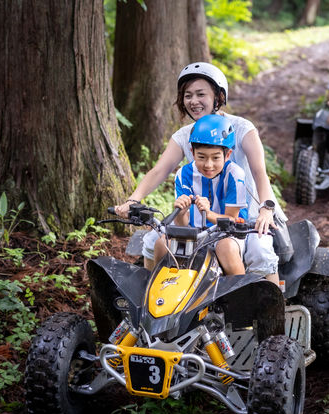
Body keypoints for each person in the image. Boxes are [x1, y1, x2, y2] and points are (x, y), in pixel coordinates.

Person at [114, 62, 282, 284]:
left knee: (260, 252)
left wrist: (266, 209)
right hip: (200, 216)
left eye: (200, 94)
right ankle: (151, 301)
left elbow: (260, 172)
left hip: (246, 214)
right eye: (187, 95)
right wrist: (133, 200)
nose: (193, 101)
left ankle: (273, 308)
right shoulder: (184, 136)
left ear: (218, 97)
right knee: (151, 240)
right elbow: (159, 170)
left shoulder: (242, 128)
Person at [153, 114, 247, 275]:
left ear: (228, 154)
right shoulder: (184, 174)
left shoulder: (235, 174)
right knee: (163, 244)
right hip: (194, 232)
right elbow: (182, 225)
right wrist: (181, 212)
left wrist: (209, 214)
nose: (208, 164)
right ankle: (157, 291)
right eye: (201, 157)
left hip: (227, 233)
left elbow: (231, 219)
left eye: (216, 157)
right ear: (192, 152)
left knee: (226, 248)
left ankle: (241, 295)